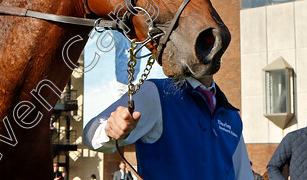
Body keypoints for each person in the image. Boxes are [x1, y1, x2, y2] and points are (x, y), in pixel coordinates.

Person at [83, 74, 254, 179]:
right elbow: (90, 133)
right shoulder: (157, 92)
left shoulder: (232, 116)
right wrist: (108, 129)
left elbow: (243, 175)